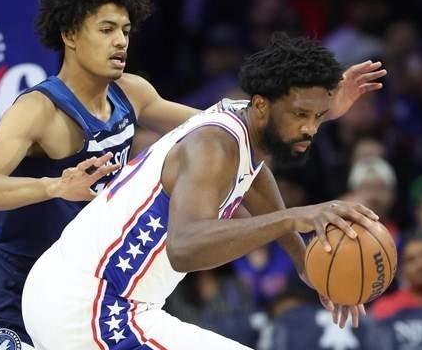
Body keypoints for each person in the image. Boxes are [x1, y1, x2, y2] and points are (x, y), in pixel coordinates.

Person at [22, 33, 386, 349]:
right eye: (301, 115)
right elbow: (184, 248)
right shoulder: (212, 147)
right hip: (91, 307)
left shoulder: (241, 125)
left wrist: (305, 262)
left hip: (88, 298)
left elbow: (255, 177)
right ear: (262, 105)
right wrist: (292, 217)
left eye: (318, 117)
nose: (311, 129)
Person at [0, 0, 200, 350]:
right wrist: (54, 186)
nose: (120, 41)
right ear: (70, 34)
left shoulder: (133, 93)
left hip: (83, 294)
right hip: (16, 291)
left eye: (125, 31)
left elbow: (214, 126)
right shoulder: (38, 110)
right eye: (106, 30)